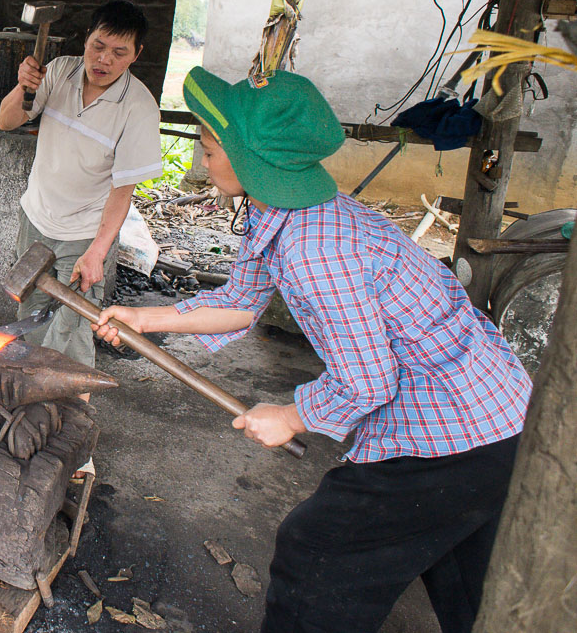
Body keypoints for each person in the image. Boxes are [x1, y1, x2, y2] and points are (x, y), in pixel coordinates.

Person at [92, 67, 531, 633]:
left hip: (456, 428)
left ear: (250, 160)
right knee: (464, 575)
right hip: (497, 413)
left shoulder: (311, 249)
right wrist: (145, 318)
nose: (201, 159)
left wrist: (293, 416)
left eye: (206, 147)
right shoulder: (283, 213)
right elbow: (243, 302)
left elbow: (368, 379)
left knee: (318, 552)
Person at [0, 0, 163, 379]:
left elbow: (123, 191)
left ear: (136, 54)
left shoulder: (138, 107)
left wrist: (97, 252)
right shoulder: (58, 71)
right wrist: (23, 86)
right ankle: (28, 392)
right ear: (86, 39)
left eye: (119, 52)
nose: (103, 59)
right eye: (98, 46)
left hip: (83, 236)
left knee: (70, 330)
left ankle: (71, 411)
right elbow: (7, 122)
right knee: (31, 314)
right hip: (36, 219)